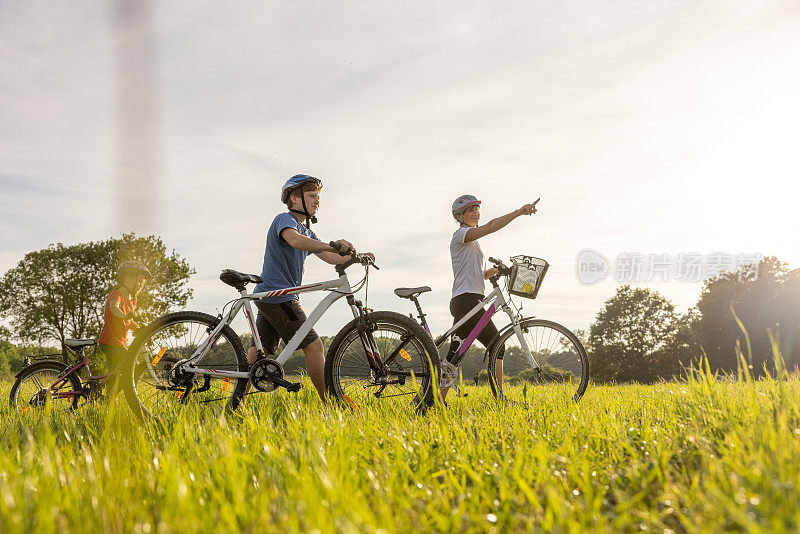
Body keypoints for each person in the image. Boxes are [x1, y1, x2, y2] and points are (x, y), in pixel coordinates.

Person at [246, 174, 373, 400]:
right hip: (279, 296)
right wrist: (332, 246)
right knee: (314, 347)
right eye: (311, 196)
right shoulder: (284, 220)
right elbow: (295, 241)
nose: (317, 201)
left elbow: (329, 257)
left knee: (260, 352)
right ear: (294, 198)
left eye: (318, 197)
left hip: (271, 295)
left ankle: (236, 402)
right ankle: (332, 402)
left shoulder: (308, 232)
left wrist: (356, 256)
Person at [442, 194, 539, 402]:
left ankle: (434, 401)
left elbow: (475, 274)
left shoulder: (471, 242)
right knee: (498, 346)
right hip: (467, 302)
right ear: (459, 216)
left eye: (477, 209)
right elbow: (491, 226)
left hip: (464, 301)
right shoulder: (461, 234)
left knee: (454, 356)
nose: (476, 213)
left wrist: (497, 271)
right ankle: (499, 400)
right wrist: (519, 212)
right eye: (470, 210)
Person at [98, 260, 151, 397]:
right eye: (139, 281)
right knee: (131, 365)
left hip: (119, 342)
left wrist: (140, 328)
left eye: (142, 283)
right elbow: (113, 308)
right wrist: (125, 315)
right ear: (127, 278)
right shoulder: (117, 295)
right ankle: (110, 396)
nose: (141, 285)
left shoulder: (132, 300)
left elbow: (129, 321)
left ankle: (109, 396)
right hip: (109, 341)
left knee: (116, 372)